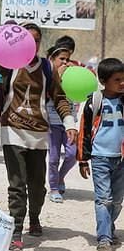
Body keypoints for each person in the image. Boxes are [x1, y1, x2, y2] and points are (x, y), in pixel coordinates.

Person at [0, 22, 76, 251]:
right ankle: (17, 230)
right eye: (27, 39)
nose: (32, 44)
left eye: (36, 40)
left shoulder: (46, 68)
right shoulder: (10, 65)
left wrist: (69, 122)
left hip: (39, 133)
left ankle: (34, 217)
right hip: (12, 130)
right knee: (17, 183)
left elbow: (59, 97)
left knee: (36, 184)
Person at [77, 58, 124, 251]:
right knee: (103, 199)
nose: (122, 83)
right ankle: (104, 238)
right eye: (117, 80)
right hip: (100, 159)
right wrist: (82, 159)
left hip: (121, 159)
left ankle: (109, 227)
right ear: (104, 81)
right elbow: (84, 131)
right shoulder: (95, 102)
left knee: (117, 200)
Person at [45, 43, 77, 203]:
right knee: (53, 157)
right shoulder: (48, 75)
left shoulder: (73, 74)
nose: (65, 62)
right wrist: (57, 77)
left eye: (67, 59)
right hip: (52, 122)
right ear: (52, 59)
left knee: (72, 154)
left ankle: (60, 177)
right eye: (61, 59)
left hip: (68, 122)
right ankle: (53, 188)